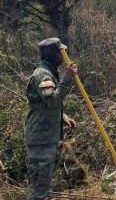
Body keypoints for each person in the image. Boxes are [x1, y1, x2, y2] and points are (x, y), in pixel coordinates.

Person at [25, 38, 78, 200]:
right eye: (60, 52)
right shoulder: (43, 75)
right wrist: (68, 78)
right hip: (41, 140)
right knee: (39, 189)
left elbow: (44, 105)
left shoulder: (48, 73)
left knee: (42, 185)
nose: (63, 56)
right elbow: (53, 100)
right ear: (53, 55)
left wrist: (64, 117)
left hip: (44, 139)